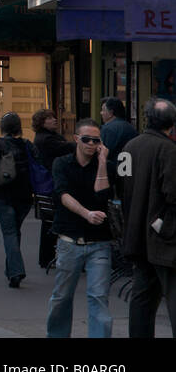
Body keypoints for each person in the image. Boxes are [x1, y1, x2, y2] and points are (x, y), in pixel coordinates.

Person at [47, 120, 117, 338]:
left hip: (100, 243)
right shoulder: (62, 163)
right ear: (76, 139)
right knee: (62, 297)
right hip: (69, 240)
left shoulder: (106, 165)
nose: (91, 144)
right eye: (86, 139)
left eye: (96, 140)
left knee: (98, 296)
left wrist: (103, 162)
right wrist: (87, 214)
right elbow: (62, 195)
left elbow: (101, 195)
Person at [119, 96, 176, 339]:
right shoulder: (169, 150)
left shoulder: (129, 147)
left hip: (136, 232)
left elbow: (121, 188)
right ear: (171, 123)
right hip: (164, 239)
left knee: (142, 298)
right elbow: (173, 195)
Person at [0, 112, 37, 287]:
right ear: (19, 127)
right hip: (25, 195)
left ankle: (16, 271)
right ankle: (10, 269)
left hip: (4, 194)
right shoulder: (27, 144)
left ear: (2, 127)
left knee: (10, 232)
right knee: (15, 231)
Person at [32, 109, 75, 270]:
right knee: (54, 221)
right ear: (42, 122)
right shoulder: (47, 139)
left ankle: (46, 257)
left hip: (48, 184)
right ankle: (48, 256)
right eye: (50, 118)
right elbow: (67, 148)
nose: (54, 120)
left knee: (48, 221)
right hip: (53, 184)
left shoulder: (44, 137)